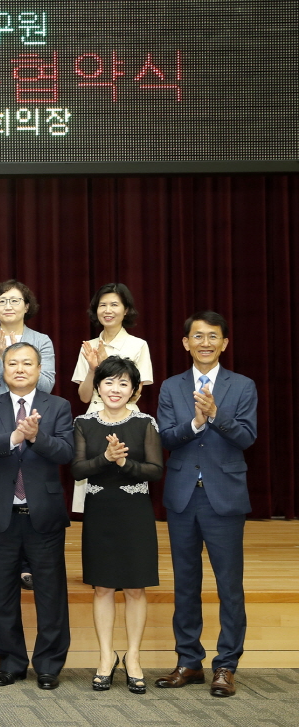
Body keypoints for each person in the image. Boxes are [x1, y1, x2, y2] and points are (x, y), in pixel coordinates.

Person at [155, 311, 257, 698]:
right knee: (186, 584)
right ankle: (188, 660)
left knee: (229, 585)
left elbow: (247, 437)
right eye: (197, 336)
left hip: (225, 497)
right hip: (183, 497)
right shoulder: (170, 387)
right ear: (186, 343)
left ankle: (226, 664)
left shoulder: (242, 386)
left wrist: (216, 415)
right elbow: (166, 437)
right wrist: (196, 424)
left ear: (224, 343)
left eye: (213, 336)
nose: (205, 343)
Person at [0, 342, 73, 691]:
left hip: (43, 515)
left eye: (27, 363)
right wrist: (14, 436)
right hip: (1, 513)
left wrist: (37, 437)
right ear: (3, 368)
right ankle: (11, 663)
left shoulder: (58, 405)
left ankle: (48, 665)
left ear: (39, 368)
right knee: (2, 594)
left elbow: (67, 453)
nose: (20, 369)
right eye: (13, 363)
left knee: (50, 594)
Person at [70, 356, 163, 695]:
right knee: (103, 588)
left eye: (124, 383)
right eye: (109, 382)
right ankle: (106, 657)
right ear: (98, 386)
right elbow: (78, 470)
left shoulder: (145, 423)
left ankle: (133, 657)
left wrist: (125, 463)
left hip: (135, 513)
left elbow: (155, 470)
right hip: (100, 513)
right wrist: (106, 459)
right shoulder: (84, 423)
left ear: (134, 390)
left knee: (136, 588)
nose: (115, 389)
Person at [0, 279, 57, 591]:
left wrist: (13, 357)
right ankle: (10, 560)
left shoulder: (42, 340)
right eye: (1, 301)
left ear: (26, 306)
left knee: (33, 485)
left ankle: (29, 563)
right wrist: (0, 358)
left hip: (35, 419)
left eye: (14, 301)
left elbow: (46, 384)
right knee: (3, 486)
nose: (7, 306)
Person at [70, 283, 153, 513]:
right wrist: (93, 369)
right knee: (95, 493)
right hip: (94, 419)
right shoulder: (89, 346)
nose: (108, 310)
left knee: (125, 486)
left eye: (114, 304)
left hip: (127, 418)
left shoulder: (138, 345)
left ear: (126, 310)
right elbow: (84, 396)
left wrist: (109, 366)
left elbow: (136, 394)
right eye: (102, 305)